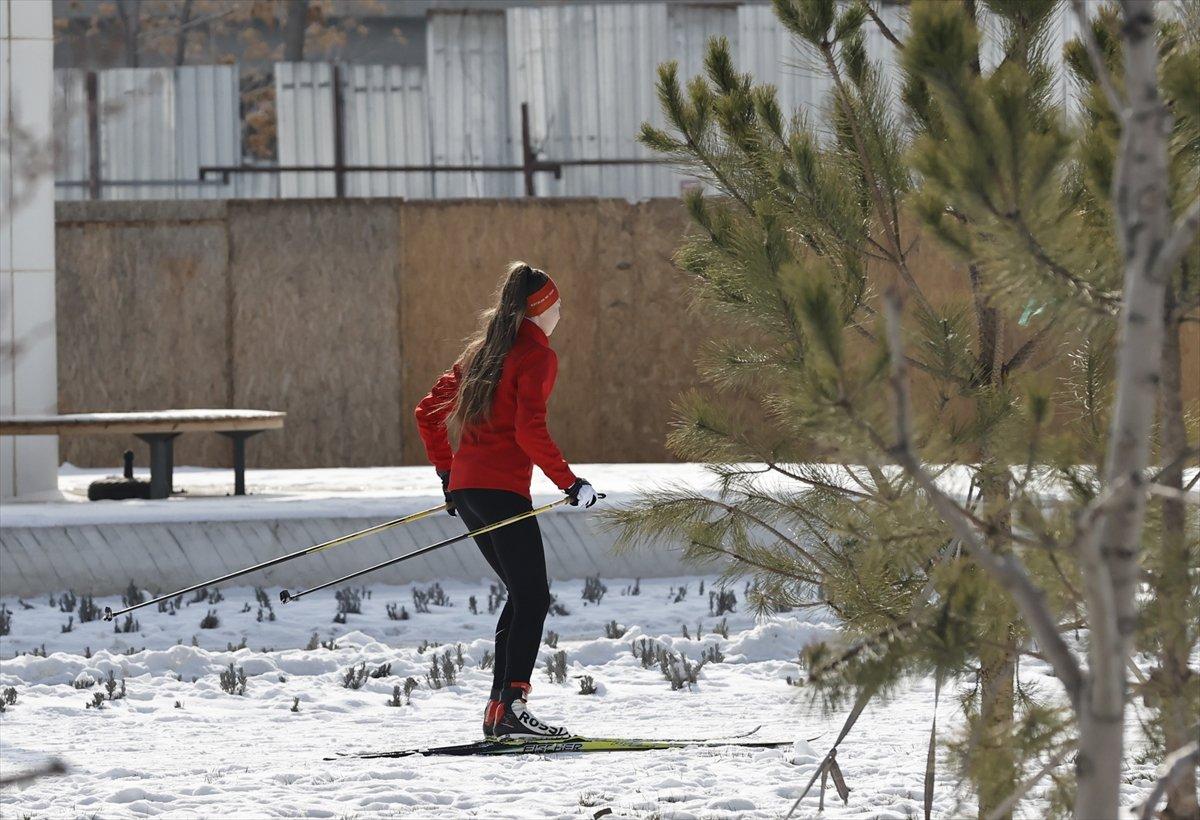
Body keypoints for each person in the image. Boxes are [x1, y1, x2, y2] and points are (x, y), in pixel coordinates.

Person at [414, 261, 599, 740]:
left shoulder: (482, 353)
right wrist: (569, 483)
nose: (561, 313)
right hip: (500, 492)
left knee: (522, 595)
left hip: (469, 492)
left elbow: (427, 413)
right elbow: (528, 430)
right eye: (557, 306)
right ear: (540, 311)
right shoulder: (537, 356)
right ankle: (513, 708)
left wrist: (448, 472)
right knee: (533, 596)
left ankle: (500, 711)